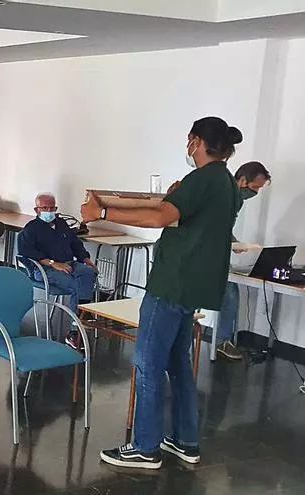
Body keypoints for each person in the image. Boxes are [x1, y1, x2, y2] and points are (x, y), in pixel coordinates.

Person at [83, 116, 243, 470]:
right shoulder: (227, 183)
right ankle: (185, 440)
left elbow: (159, 218)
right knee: (178, 364)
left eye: (189, 140)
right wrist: (173, 197)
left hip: (172, 283)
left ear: (196, 141)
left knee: (147, 364)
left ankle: (145, 446)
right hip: (194, 286)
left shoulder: (201, 179)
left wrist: (103, 211)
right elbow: (182, 215)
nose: (188, 147)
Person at [18, 192, 98, 350]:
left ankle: (82, 311)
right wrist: (53, 263)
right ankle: (76, 329)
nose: (49, 211)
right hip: (44, 268)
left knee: (89, 273)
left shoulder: (61, 224)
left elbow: (75, 243)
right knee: (76, 285)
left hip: (69, 263)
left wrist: (85, 259)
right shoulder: (31, 229)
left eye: (52, 208)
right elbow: (26, 252)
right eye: (45, 208)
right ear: (37, 210)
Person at [215, 161, 271, 360]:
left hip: (215, 252)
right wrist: (231, 242)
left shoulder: (236, 199)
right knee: (229, 291)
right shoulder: (223, 194)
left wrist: (234, 243)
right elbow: (212, 225)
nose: (255, 192)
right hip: (200, 254)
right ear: (242, 180)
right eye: (255, 187)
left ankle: (224, 341)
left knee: (231, 290)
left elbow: (223, 227)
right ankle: (222, 341)